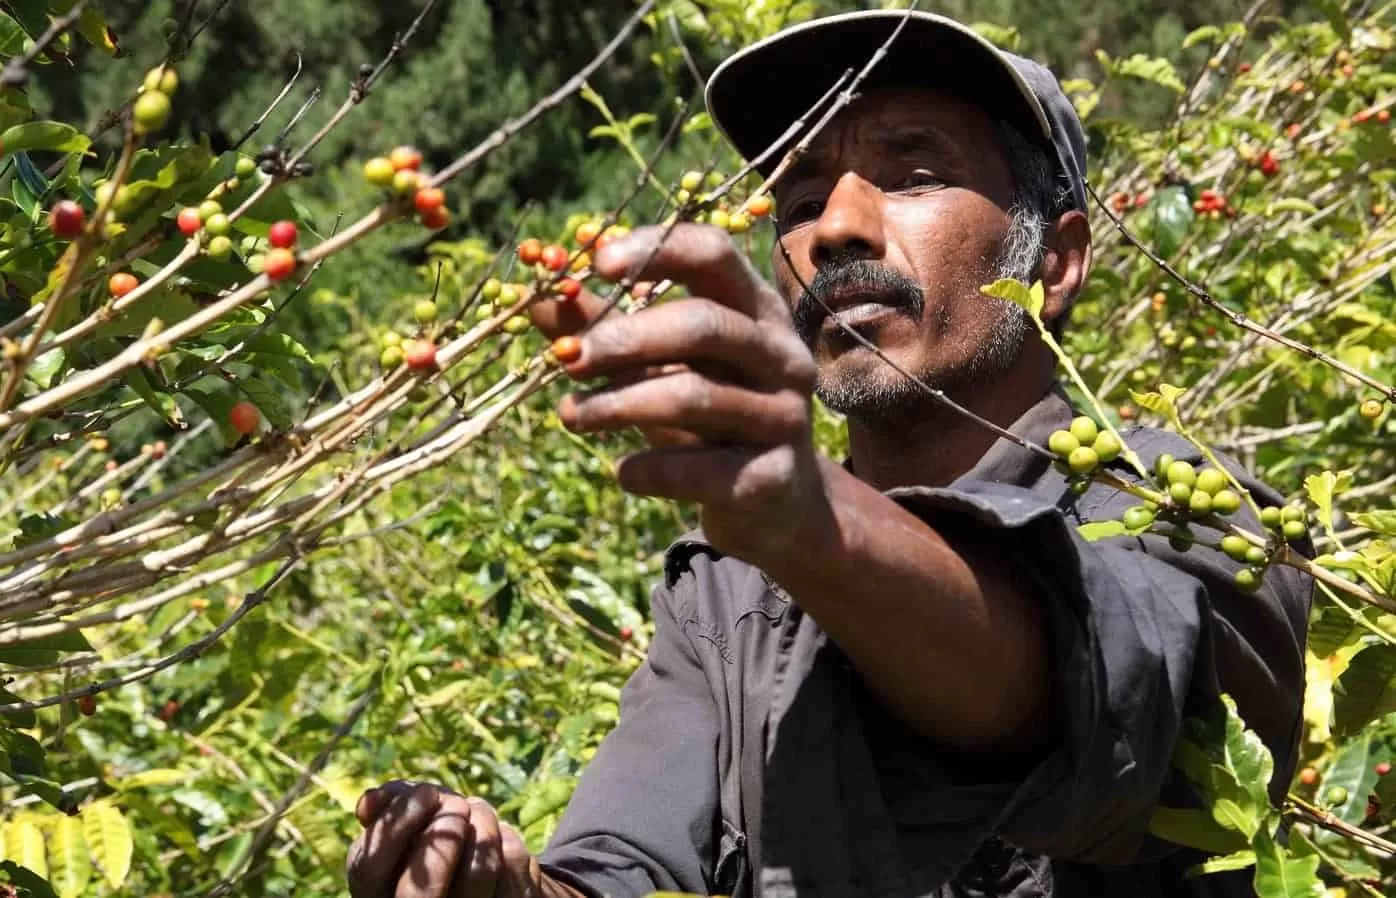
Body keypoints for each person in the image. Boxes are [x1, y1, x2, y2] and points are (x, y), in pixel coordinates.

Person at [344, 10, 1314, 898]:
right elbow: (616, 868)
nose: (837, 227)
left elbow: (1080, 682)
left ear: (1054, 262)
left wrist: (808, 518)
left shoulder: (1191, 516)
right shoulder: (730, 595)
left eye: (917, 172)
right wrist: (496, 886)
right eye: (802, 196)